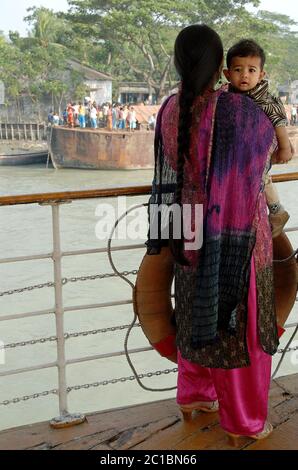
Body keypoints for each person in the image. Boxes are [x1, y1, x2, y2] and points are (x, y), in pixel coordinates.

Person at [146, 25, 279, 444]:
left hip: (188, 232)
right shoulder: (237, 111)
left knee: (193, 311)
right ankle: (244, 422)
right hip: (238, 234)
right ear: (220, 67)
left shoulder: (170, 107)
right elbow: (265, 161)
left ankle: (195, 395)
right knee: (240, 325)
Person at [223, 39, 293, 238]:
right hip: (248, 150)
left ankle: (276, 210)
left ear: (261, 75)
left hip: (262, 148)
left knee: (258, 176)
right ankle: (277, 210)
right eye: (238, 70)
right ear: (227, 74)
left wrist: (285, 147)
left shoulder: (262, 97)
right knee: (262, 177)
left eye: (252, 70)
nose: (245, 75)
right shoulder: (230, 95)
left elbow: (278, 121)